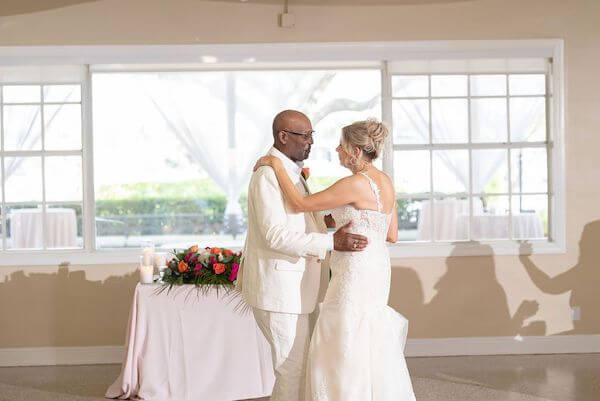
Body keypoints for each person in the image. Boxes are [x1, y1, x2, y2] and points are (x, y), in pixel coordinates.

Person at [254, 118, 416, 400]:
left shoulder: (354, 183)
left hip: (354, 268)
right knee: (367, 338)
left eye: (342, 146)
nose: (338, 151)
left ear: (355, 150)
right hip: (376, 267)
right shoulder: (385, 182)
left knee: (344, 337)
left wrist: (276, 165)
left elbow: (299, 204)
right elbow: (391, 233)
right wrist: (338, 219)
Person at [236, 110, 369, 401]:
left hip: (295, 291)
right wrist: (331, 242)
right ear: (283, 136)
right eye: (304, 135)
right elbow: (275, 236)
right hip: (278, 289)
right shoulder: (267, 176)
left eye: (312, 135)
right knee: (292, 369)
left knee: (297, 367)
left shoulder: (290, 173)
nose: (310, 142)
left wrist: (330, 224)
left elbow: (302, 218)